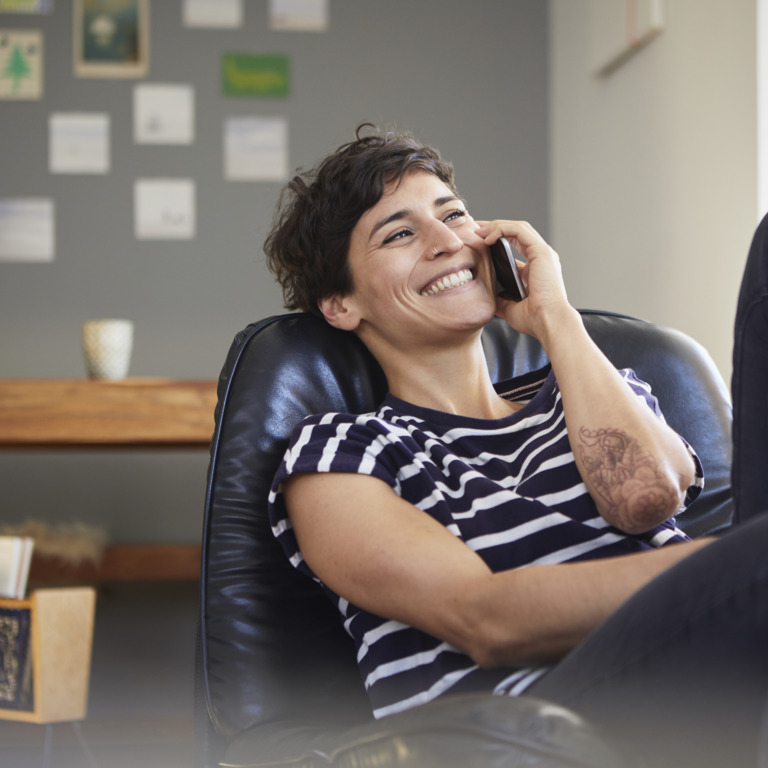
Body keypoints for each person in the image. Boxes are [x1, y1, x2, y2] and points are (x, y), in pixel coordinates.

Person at [266, 124, 768, 767]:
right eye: (400, 233)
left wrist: (556, 318)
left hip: (714, 671)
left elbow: (645, 499)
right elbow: (488, 620)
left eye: (455, 216)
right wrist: (734, 560)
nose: (449, 242)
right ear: (339, 303)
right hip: (541, 724)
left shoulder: (589, 389)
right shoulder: (342, 453)